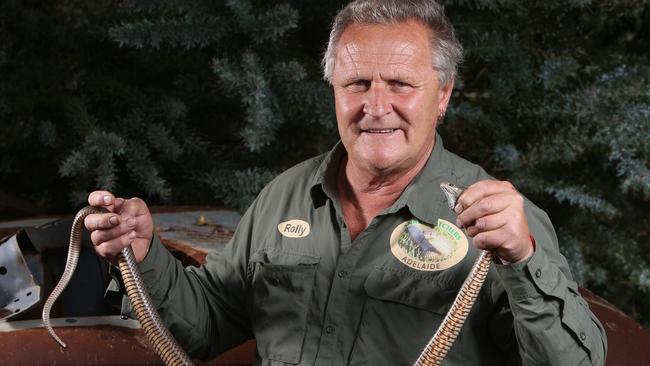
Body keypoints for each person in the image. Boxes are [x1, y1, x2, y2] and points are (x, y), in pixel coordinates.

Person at [84, 0, 607, 364]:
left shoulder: (497, 222)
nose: (376, 107)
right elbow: (206, 326)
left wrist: (523, 259)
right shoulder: (284, 196)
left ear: (442, 95)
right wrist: (143, 254)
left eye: (401, 84)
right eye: (357, 83)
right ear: (334, 88)